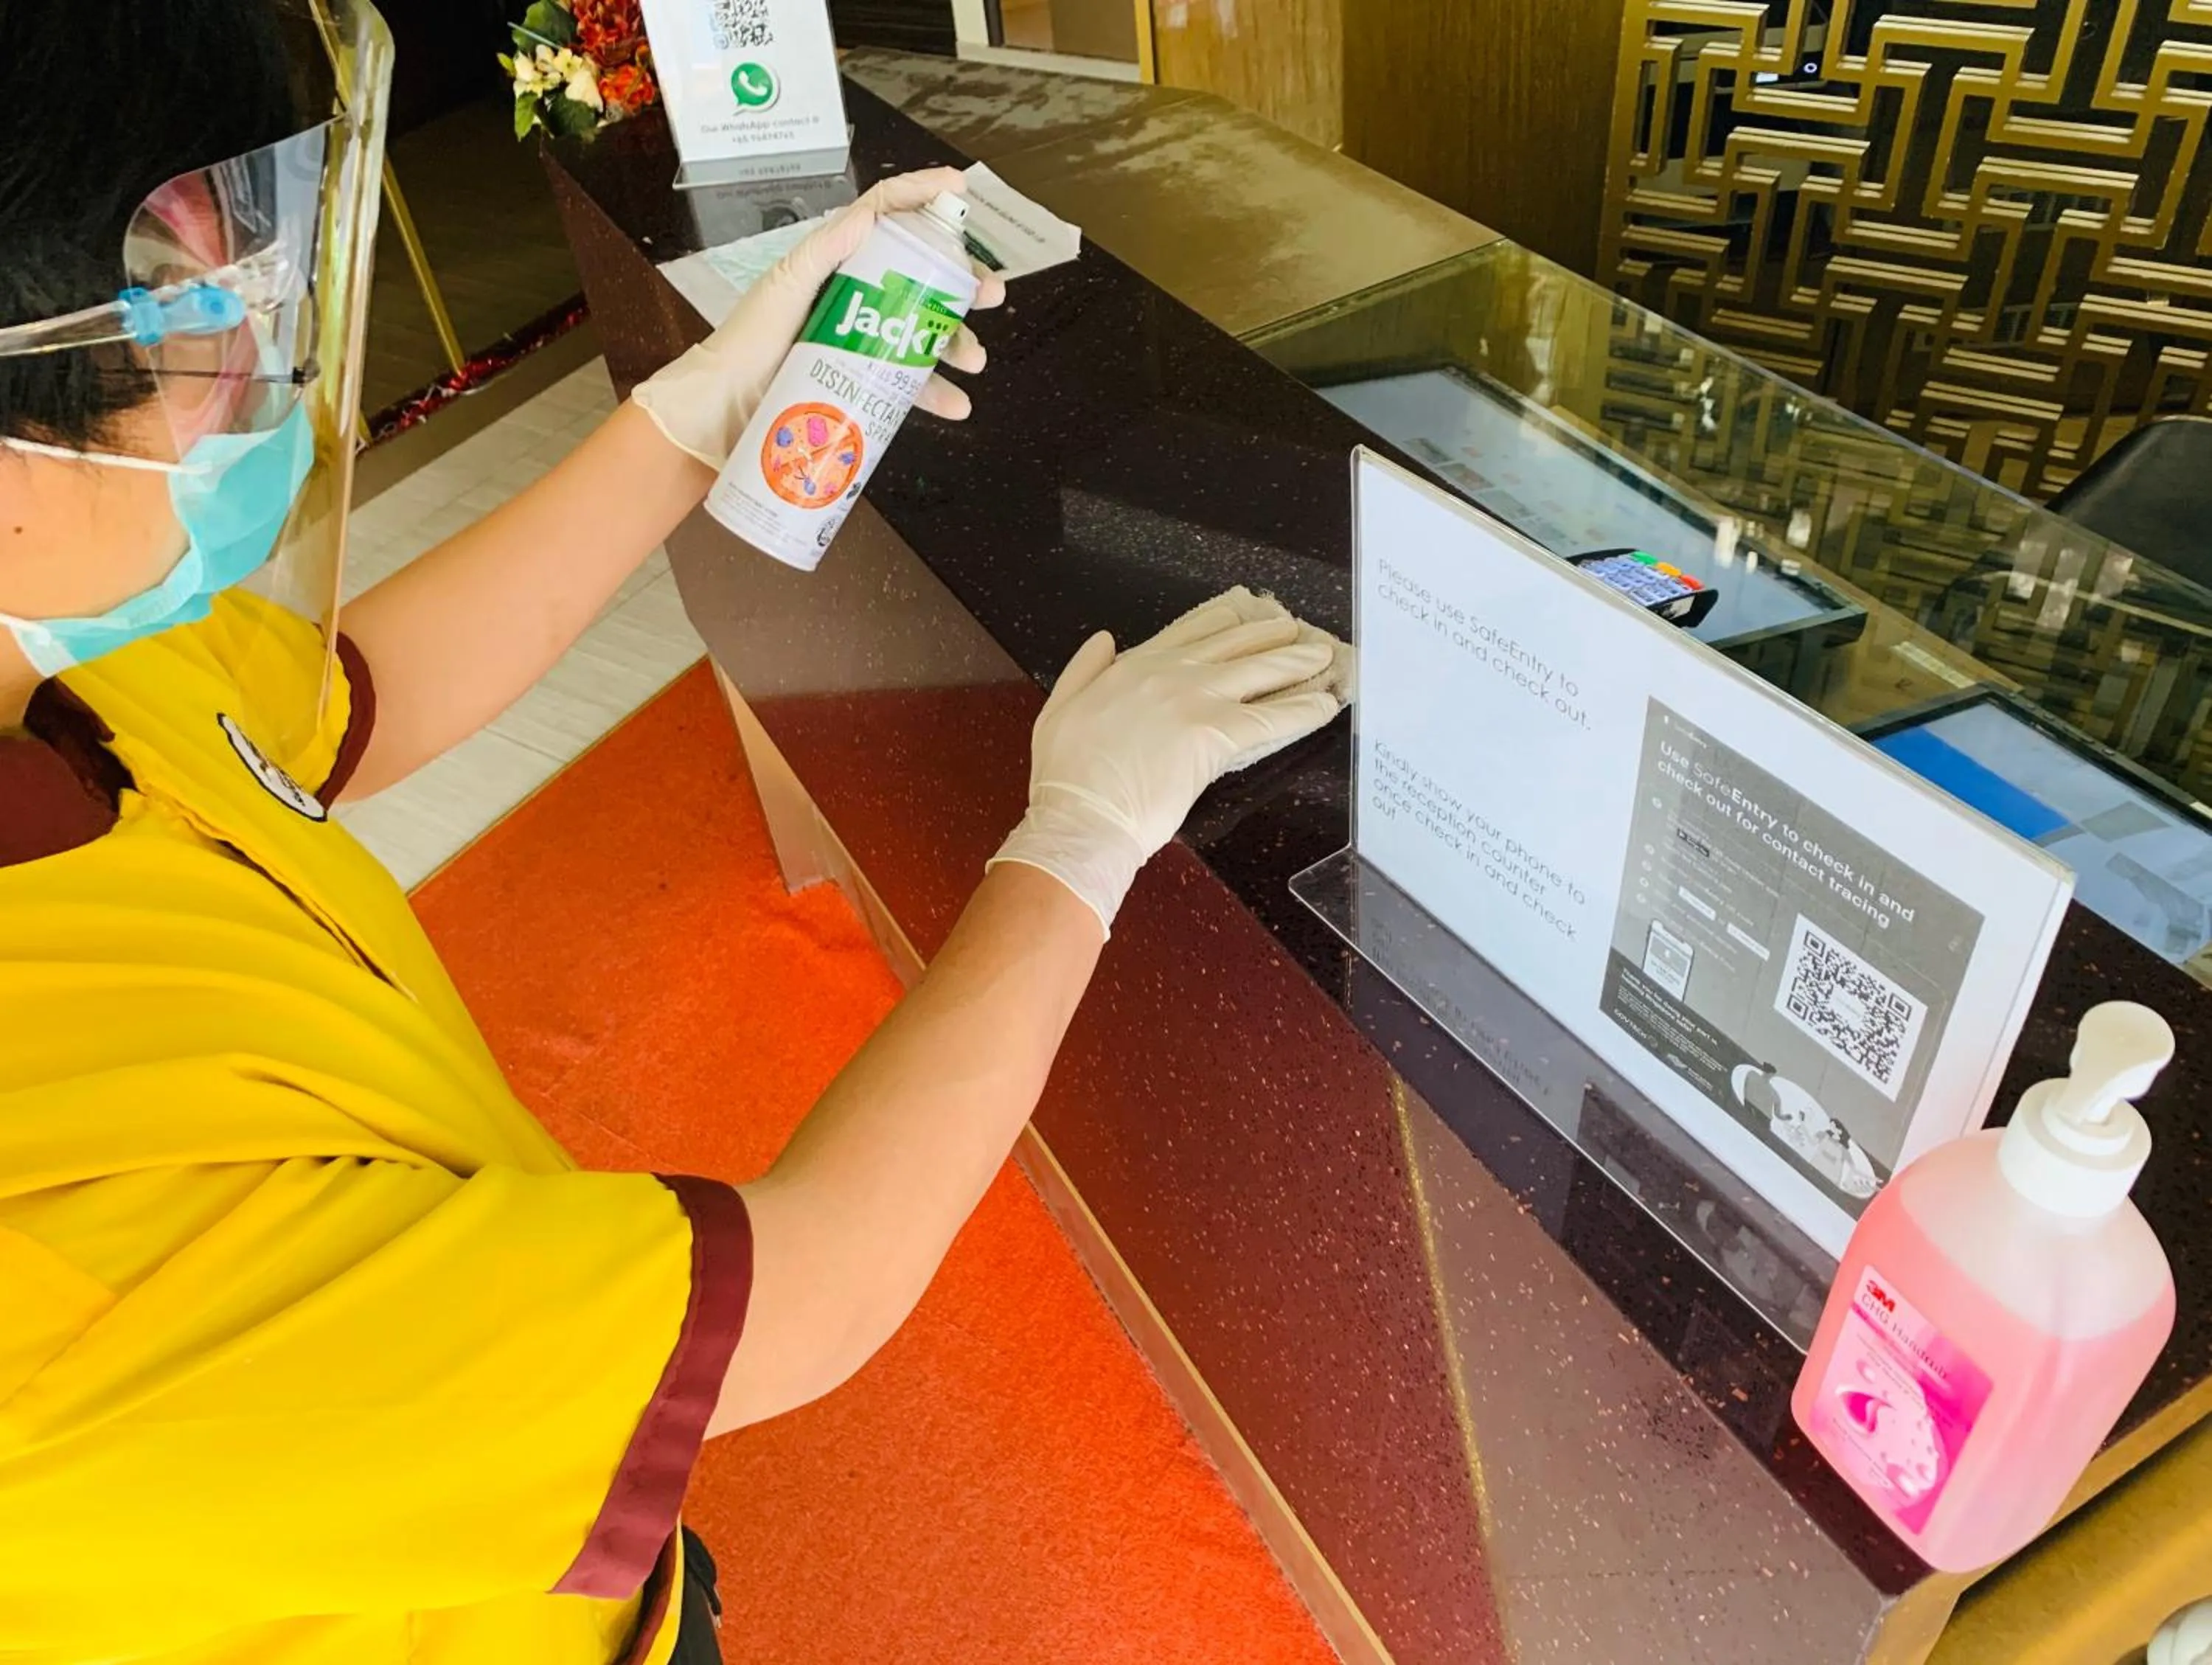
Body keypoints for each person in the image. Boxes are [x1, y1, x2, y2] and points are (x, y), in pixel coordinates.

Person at [0, 3, 1344, 1664]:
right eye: (192, 331)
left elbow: (340, 706)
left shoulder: (57, 664)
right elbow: (817, 1282)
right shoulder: (56, 1296)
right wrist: (1076, 836)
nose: (246, 389)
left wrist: (695, 415)